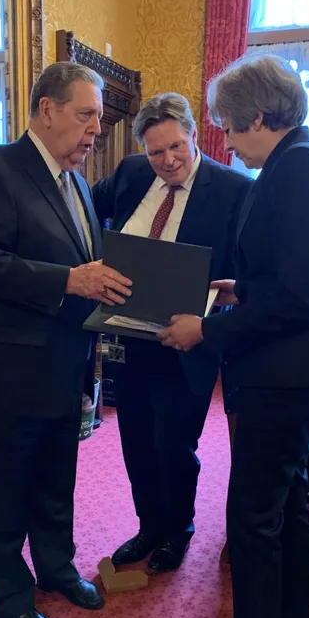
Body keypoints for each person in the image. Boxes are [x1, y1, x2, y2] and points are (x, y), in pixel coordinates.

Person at [158, 55, 309, 618]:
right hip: (299, 361)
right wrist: (240, 288)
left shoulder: (299, 170)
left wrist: (207, 332)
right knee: (287, 501)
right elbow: (296, 276)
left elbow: (300, 297)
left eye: (226, 126)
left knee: (252, 515)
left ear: (257, 117)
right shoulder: (302, 163)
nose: (225, 141)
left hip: (290, 367)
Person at [0, 62, 132, 618]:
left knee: (57, 479)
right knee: (5, 488)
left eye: (99, 122)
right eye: (85, 117)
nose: (94, 133)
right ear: (47, 108)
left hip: (63, 364)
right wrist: (68, 281)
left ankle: (56, 568)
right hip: (7, 370)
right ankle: (10, 596)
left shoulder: (76, 182)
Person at [92, 93, 251, 573]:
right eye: (156, 151)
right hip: (130, 335)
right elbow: (81, 209)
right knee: (135, 439)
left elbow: (251, 267)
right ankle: (148, 527)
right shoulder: (131, 174)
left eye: (177, 147)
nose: (168, 160)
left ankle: (177, 530)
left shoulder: (234, 190)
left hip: (189, 341)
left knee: (175, 444)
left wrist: (229, 299)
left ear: (195, 136)